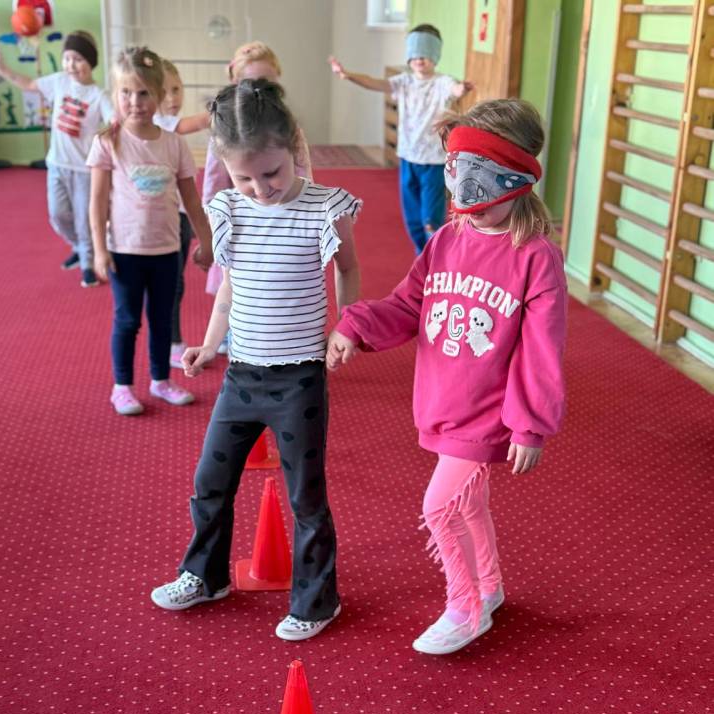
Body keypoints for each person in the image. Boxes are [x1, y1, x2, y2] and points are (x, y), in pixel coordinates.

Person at [327, 99, 567, 655]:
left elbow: (542, 348)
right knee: (468, 505)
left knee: (439, 506)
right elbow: (408, 305)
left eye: (486, 197)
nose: (471, 207)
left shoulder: (535, 256)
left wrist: (530, 423)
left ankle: (465, 607)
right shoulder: (446, 240)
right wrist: (355, 325)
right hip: (440, 400)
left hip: (487, 412)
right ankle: (490, 588)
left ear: (517, 183)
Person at [151, 79, 361, 642]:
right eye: (245, 178)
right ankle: (206, 575)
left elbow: (347, 269)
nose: (261, 188)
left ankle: (317, 600)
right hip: (241, 376)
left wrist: (348, 324)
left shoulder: (324, 207)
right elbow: (230, 289)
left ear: (293, 148)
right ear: (223, 166)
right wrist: (208, 345)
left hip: (299, 380)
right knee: (210, 481)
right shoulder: (227, 210)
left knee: (305, 495)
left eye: (272, 173)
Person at [86, 47, 213, 416]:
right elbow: (97, 201)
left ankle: (161, 380)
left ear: (158, 96)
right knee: (127, 320)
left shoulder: (173, 144)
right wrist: (99, 249)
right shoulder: (108, 141)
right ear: (115, 94)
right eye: (125, 92)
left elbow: (191, 199)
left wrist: (206, 242)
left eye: (143, 93)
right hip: (124, 250)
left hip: (167, 249)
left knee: (161, 318)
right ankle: (122, 386)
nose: (134, 102)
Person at [201, 41, 313, 357]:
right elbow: (213, 182)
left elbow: (304, 173)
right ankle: (232, 333)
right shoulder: (223, 130)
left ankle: (281, 336)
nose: (261, 92)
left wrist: (305, 217)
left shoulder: (289, 129)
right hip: (242, 220)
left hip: (282, 217)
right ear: (236, 83)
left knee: (277, 282)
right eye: (253, 83)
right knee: (237, 280)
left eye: (268, 84)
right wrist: (213, 225)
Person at [330, 23, 473, 254]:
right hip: (408, 156)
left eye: (425, 54)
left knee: (431, 215)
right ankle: (422, 253)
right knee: (412, 216)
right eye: (415, 54)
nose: (419, 59)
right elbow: (374, 82)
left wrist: (462, 88)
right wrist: (348, 76)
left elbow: (455, 90)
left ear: (435, 55)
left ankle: (435, 253)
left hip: (433, 160)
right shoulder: (404, 82)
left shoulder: (442, 82)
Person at [0, 31, 113, 288]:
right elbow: (28, 84)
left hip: (83, 170)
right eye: (67, 58)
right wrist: (1, 69)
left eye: (77, 59)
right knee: (58, 215)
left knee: (84, 219)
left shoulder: (98, 95)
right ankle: (79, 246)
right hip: (56, 164)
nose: (71, 65)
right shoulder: (59, 82)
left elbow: (114, 122)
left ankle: (87, 263)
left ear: (90, 62)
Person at [153, 59, 211, 370]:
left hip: (180, 214)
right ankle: (170, 342)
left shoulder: (168, 129)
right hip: (162, 219)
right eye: (164, 92)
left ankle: (172, 340)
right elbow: (192, 123)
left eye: (177, 89)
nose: (173, 98)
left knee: (176, 284)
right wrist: (220, 110)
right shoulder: (157, 123)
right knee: (168, 286)